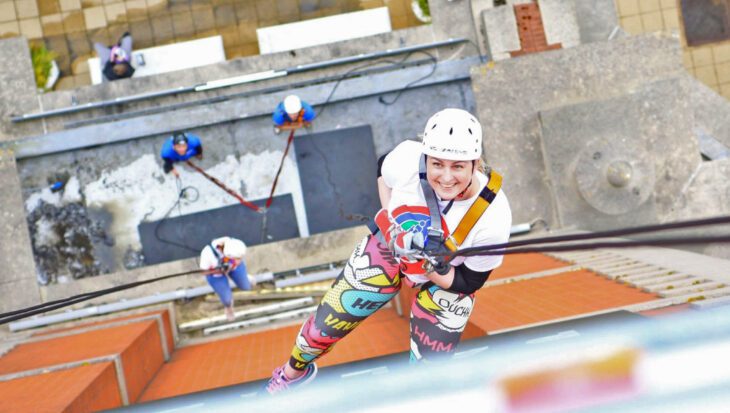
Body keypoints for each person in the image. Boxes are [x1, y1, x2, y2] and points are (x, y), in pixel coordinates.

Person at [265, 108, 512, 394]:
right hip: (391, 246)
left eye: (457, 166)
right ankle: (291, 374)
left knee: (431, 369)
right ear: (426, 158)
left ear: (475, 163)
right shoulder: (407, 158)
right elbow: (383, 170)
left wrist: (430, 268)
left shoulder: (492, 217)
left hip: (446, 276)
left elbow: (469, 281)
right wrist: (390, 221)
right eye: (437, 164)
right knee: (327, 322)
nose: (445, 177)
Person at [199, 236, 255, 321]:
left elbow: (238, 261)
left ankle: (246, 279)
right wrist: (217, 271)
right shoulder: (207, 254)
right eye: (235, 258)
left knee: (246, 286)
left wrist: (234, 263)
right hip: (216, 274)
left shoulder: (232, 244)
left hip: (233, 268)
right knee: (227, 299)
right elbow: (204, 271)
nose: (238, 260)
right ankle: (228, 307)